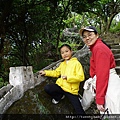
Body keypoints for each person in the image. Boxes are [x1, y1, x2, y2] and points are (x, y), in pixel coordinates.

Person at [79, 26, 120, 114]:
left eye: (90, 35)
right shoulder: (96, 48)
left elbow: (102, 75)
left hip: (109, 83)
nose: (87, 38)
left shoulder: (99, 49)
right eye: (84, 36)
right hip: (108, 81)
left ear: (97, 35)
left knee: (113, 110)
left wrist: (99, 99)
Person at [39, 44, 86, 114]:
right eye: (62, 53)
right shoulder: (62, 64)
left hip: (71, 91)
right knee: (47, 88)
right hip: (61, 87)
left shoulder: (76, 63)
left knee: (79, 110)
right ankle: (59, 97)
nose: (65, 54)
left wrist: (68, 78)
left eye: (66, 51)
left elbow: (81, 77)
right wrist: (45, 72)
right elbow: (56, 73)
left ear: (71, 51)